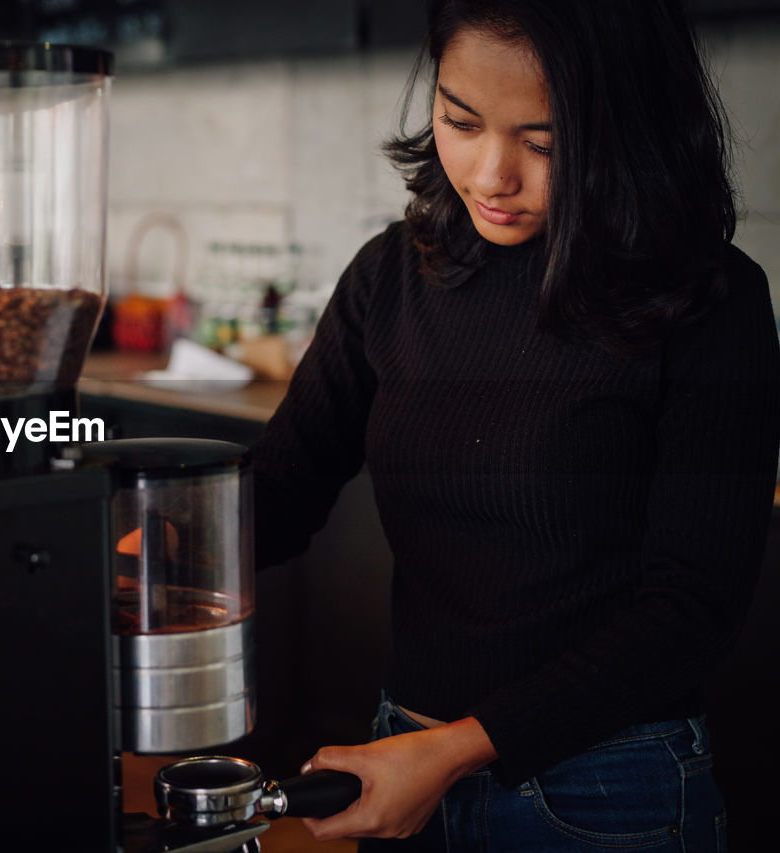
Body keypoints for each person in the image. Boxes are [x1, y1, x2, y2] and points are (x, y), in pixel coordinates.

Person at [251, 0, 780, 849]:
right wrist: (132, 547)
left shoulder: (710, 301)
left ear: (630, 129)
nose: (492, 174)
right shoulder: (391, 274)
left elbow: (693, 607)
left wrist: (457, 750)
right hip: (403, 762)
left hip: (607, 789)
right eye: (461, 121)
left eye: (545, 143)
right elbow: (279, 490)